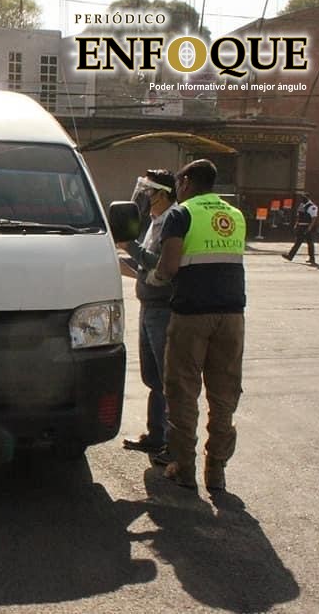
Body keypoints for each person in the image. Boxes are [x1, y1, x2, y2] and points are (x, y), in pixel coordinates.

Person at [148, 159, 247, 492]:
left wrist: (155, 277)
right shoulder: (234, 215)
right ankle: (216, 472)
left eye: (179, 182)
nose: (178, 188)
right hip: (233, 317)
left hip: (192, 316)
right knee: (223, 396)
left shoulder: (181, 213)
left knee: (182, 392)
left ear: (187, 181)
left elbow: (170, 265)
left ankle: (184, 469)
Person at [119, 170, 177, 461]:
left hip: (163, 309)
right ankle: (156, 436)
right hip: (148, 305)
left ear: (163, 194)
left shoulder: (173, 220)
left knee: (168, 379)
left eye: (149, 191)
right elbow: (145, 268)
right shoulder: (156, 222)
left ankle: (171, 442)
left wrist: (130, 247)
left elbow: (160, 264)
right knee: (153, 377)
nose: (143, 197)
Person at [282, 192, 318, 264]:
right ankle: (291, 256)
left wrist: (310, 227)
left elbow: (314, 218)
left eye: (304, 198)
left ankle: (311, 258)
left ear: (308, 198)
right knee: (300, 241)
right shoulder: (302, 205)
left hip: (307, 226)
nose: (302, 199)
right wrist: (296, 224)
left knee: (308, 242)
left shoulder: (312, 206)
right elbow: (299, 215)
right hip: (301, 226)